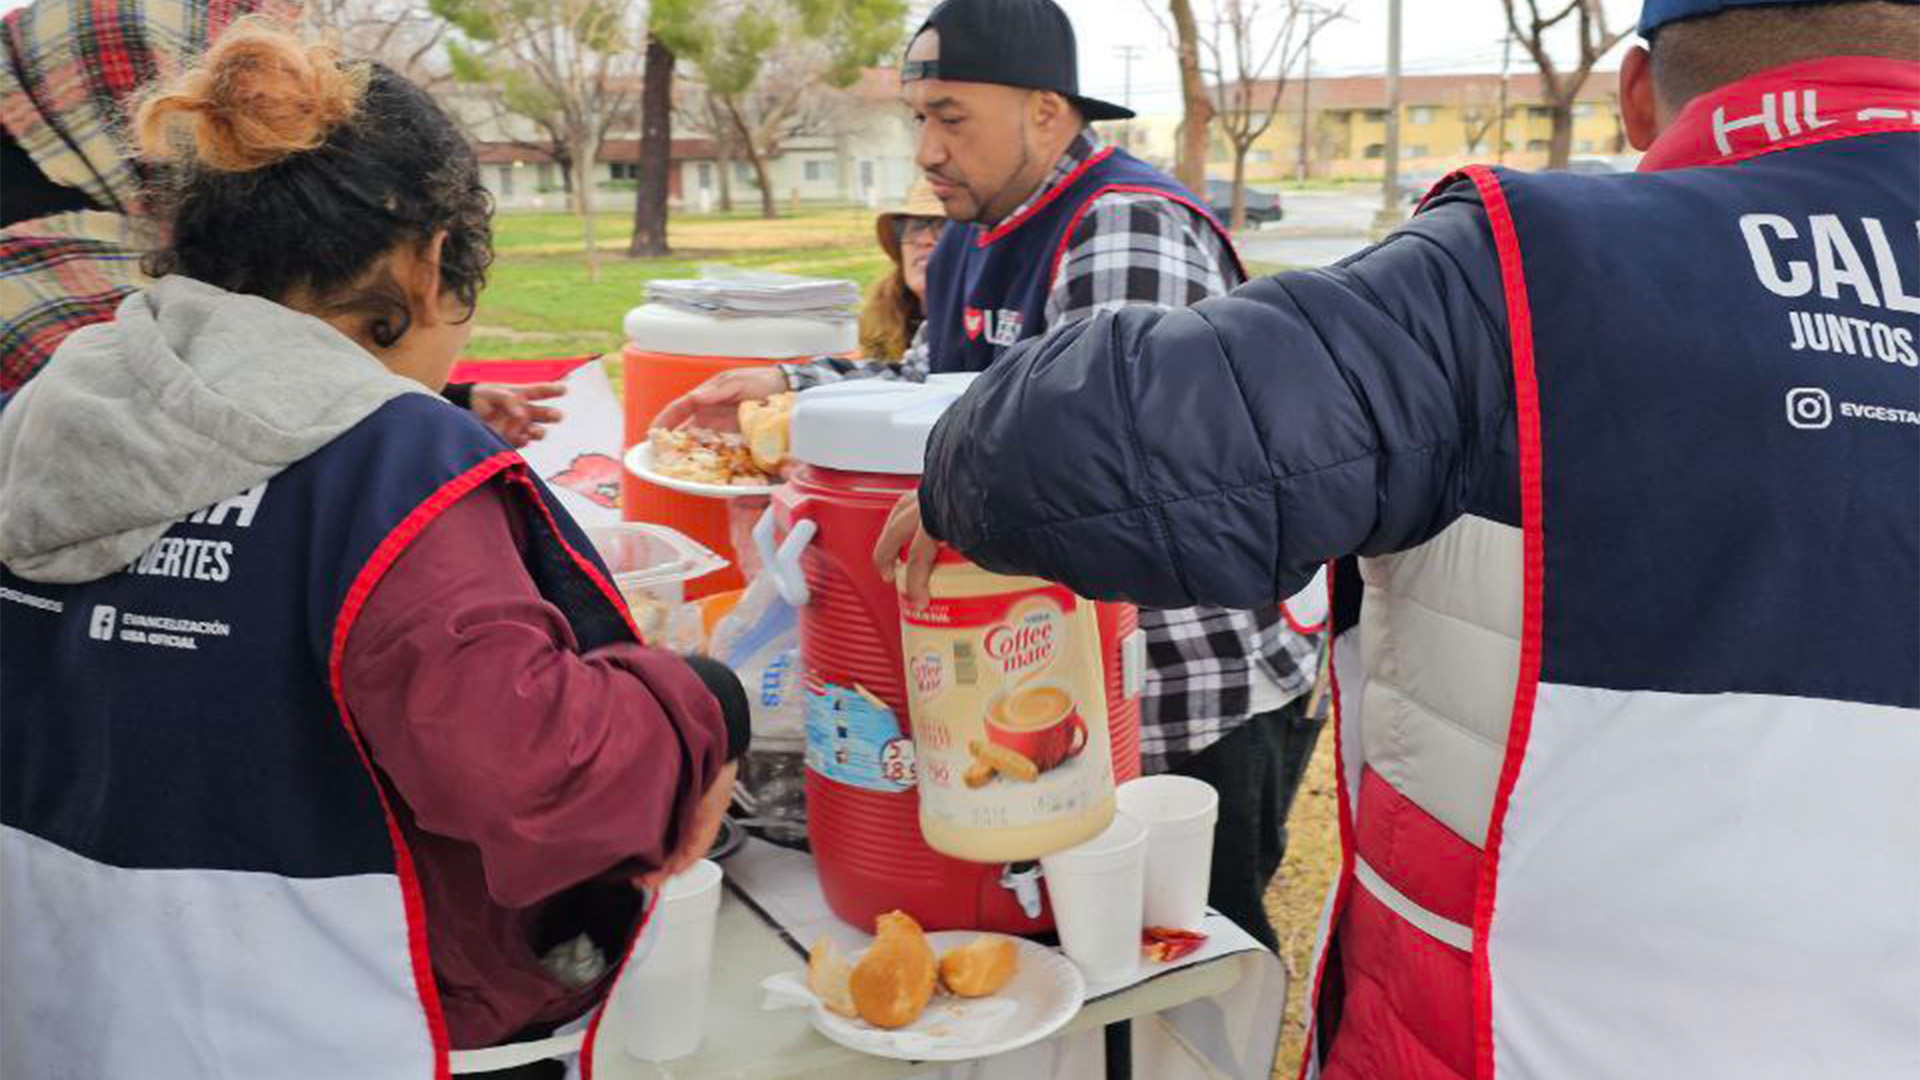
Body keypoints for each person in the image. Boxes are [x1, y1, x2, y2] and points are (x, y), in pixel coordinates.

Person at [883, 1, 1920, 1077]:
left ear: (1637, 94)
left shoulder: (1530, 270)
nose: (928, 151)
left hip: (1513, 1033)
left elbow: (1091, 451)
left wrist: (961, 468)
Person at [0, 22, 743, 1080]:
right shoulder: (388, 459)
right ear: (434, 260)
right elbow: (536, 780)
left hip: (63, 1011)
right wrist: (701, 703)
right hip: (325, 1024)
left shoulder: (43, 410)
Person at [659, 0, 1325, 951]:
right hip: (1053, 668)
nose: (926, 151)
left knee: (1170, 948)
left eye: (951, 117)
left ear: (1047, 113)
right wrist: (793, 387)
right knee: (1060, 946)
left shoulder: (1121, 226)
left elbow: (1108, 443)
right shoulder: (976, 227)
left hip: (1191, 676)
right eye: (917, 118)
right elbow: (943, 385)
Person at [0, 0, 563, 446]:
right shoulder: (60, 327)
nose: (254, 123)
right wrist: (436, 434)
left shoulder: (172, 297)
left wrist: (456, 401)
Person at [859, 180, 946, 361]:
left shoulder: (979, 329)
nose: (924, 240)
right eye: (915, 228)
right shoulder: (882, 316)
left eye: (943, 227)